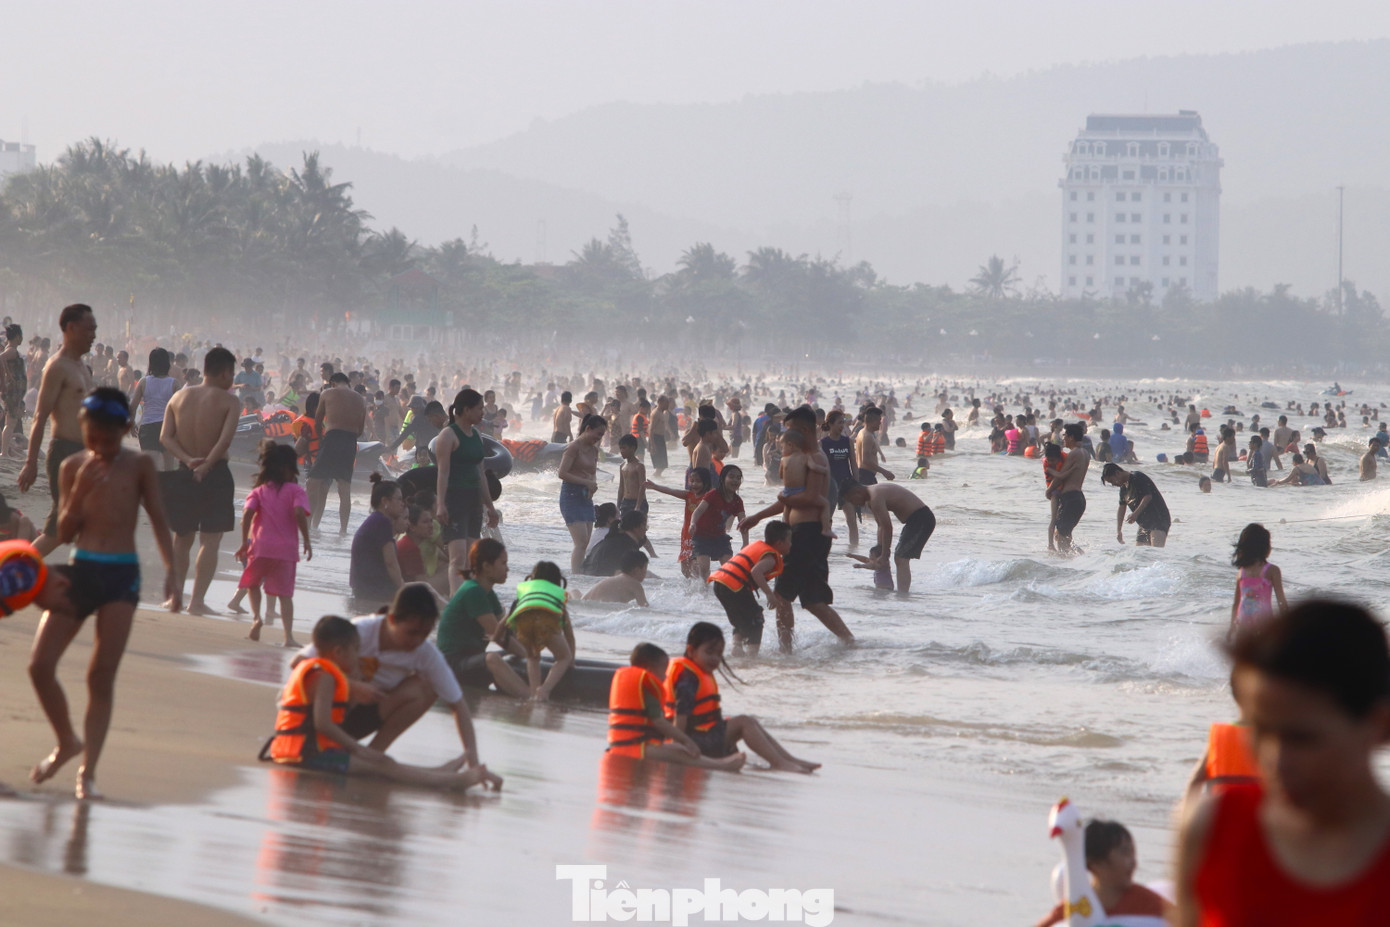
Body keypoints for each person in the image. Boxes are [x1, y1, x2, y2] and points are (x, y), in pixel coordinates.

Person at [1176, 600, 1390, 925]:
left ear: (1378, 727)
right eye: (1260, 730)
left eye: (1301, 738)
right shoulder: (1210, 829)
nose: (1276, 760)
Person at [28, 388, 179, 800]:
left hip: (120, 576)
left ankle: (87, 773)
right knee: (40, 666)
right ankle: (66, 741)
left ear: (126, 430)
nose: (101, 446)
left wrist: (172, 573)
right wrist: (78, 492)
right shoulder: (74, 464)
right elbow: (66, 530)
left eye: (110, 438)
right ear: (84, 428)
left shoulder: (140, 464)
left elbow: (160, 521)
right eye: (94, 436)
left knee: (101, 675)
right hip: (81, 571)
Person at [290, 585, 500, 786]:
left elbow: (458, 704)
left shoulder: (425, 652)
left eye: (425, 633)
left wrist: (474, 764)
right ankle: (378, 763)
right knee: (384, 766)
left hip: (357, 721)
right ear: (391, 619)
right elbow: (298, 663)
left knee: (425, 687)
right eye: (411, 632)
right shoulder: (358, 633)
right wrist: (352, 686)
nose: (417, 640)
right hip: (319, 722)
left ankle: (370, 757)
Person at [740, 406, 854, 649]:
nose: (787, 438)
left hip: (807, 535)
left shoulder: (816, 458)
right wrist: (758, 516)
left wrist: (782, 500)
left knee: (782, 596)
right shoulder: (801, 458)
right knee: (813, 600)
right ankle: (849, 642)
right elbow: (789, 498)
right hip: (802, 535)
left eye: (790, 432)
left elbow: (810, 496)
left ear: (803, 430)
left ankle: (786, 652)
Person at [665, 622, 820, 772]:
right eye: (709, 652)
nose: (715, 658)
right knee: (744, 722)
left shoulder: (695, 672)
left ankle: (789, 760)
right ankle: (779, 763)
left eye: (719, 654)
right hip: (694, 741)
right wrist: (680, 748)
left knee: (750, 721)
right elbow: (681, 716)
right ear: (691, 651)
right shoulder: (687, 678)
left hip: (702, 735)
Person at [159, 346, 241, 615]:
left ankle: (175, 599)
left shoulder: (179, 397)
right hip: (215, 473)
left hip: (184, 470)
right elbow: (225, 440)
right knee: (210, 540)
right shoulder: (229, 401)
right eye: (232, 373)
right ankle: (196, 602)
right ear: (225, 372)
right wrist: (206, 465)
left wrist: (189, 459)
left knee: (182, 539)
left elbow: (166, 438)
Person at [19, 304, 96, 556]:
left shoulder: (82, 367)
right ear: (71, 329)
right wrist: (31, 462)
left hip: (85, 454)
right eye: (88, 329)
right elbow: (40, 416)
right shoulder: (57, 366)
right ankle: (10, 575)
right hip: (65, 452)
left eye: (94, 329)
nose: (93, 335)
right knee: (61, 529)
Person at [607, 642, 747, 770]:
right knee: (682, 754)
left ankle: (720, 762)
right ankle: (721, 765)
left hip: (624, 745)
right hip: (635, 748)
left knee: (678, 749)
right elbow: (659, 722)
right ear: (649, 669)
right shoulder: (647, 687)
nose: (665, 677)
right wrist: (687, 740)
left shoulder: (630, 680)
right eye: (663, 672)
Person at [235, 441, 312, 647]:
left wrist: (244, 542)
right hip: (286, 550)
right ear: (288, 469)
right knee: (285, 594)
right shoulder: (296, 491)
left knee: (252, 584)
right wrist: (306, 539)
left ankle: (257, 618)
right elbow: (298, 512)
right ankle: (288, 637)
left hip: (260, 547)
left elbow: (247, 514)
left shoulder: (259, 491)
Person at [437, 538, 531, 699]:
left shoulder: (488, 593)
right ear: (487, 566)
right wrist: (528, 656)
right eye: (503, 563)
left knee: (513, 655)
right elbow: (499, 635)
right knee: (493, 658)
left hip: (470, 659)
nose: (507, 569)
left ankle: (520, 691)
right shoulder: (473, 591)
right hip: (452, 664)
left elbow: (509, 630)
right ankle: (531, 699)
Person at [1034, 820, 1169, 926]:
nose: (1134, 863)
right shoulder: (1075, 908)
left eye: (1133, 854)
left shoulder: (1150, 904)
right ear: (1095, 863)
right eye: (1125, 853)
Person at [434, 388, 500, 592]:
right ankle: (456, 601)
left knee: (473, 558)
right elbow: (442, 473)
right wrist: (441, 504)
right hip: (455, 500)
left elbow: (480, 474)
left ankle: (468, 597)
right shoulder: (448, 435)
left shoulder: (476, 435)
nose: (483, 413)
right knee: (458, 558)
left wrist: (490, 506)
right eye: (479, 408)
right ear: (465, 409)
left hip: (474, 501)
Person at [708, 521, 791, 655]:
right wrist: (769, 594)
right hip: (734, 586)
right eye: (789, 541)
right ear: (780, 543)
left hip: (720, 583)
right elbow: (756, 572)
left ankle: (736, 649)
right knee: (756, 619)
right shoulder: (770, 558)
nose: (791, 545)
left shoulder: (757, 547)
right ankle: (752, 657)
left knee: (742, 621)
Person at [837, 480, 935, 592]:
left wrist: (884, 555)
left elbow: (888, 527)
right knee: (900, 557)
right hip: (913, 521)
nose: (854, 504)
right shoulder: (870, 499)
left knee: (901, 558)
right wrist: (879, 549)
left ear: (857, 491)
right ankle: (902, 594)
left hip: (922, 519)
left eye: (851, 500)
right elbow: (880, 526)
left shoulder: (875, 497)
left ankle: (903, 595)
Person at [503, 561, 575, 702]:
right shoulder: (555, 597)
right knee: (563, 657)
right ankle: (545, 689)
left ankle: (534, 692)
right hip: (546, 622)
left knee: (533, 657)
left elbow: (509, 621)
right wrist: (571, 661)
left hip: (524, 622)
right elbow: (569, 636)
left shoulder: (527, 595)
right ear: (557, 582)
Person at [306, 371, 366, 535]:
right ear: (348, 383)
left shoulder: (327, 393)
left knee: (313, 482)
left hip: (332, 438)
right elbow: (360, 430)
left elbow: (318, 422)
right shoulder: (361, 399)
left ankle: (308, 526)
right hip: (350, 442)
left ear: (332, 383)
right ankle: (343, 530)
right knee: (344, 488)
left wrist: (321, 440)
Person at [559, 413, 606, 573]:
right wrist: (587, 482)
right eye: (598, 434)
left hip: (586, 497)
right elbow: (562, 473)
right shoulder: (573, 447)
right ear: (588, 428)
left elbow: (592, 472)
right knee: (580, 542)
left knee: (585, 543)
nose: (598, 438)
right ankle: (576, 575)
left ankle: (580, 573)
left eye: (602, 435)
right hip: (570, 495)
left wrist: (592, 486)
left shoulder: (594, 450)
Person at [349, 474, 407, 606]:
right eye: (399, 499)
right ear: (385, 501)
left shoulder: (376, 520)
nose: (402, 504)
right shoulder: (382, 522)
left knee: (426, 589)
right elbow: (391, 563)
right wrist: (402, 588)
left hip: (364, 589)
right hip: (373, 591)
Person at [688, 464, 747, 581]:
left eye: (738, 478)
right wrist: (692, 523)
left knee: (730, 570)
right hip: (702, 537)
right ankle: (703, 595)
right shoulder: (713, 494)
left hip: (720, 538)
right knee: (704, 570)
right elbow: (698, 511)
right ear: (723, 478)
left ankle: (724, 593)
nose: (735, 480)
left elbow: (744, 523)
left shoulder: (737, 501)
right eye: (731, 477)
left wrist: (746, 543)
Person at [1229, 523, 1287, 638]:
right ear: (1264, 547)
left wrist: (1232, 627)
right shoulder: (1272, 570)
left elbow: (1236, 603)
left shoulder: (1241, 572)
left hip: (1243, 622)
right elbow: (1282, 602)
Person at [1100, 463, 1171, 548]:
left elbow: (1147, 497)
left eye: (1112, 481)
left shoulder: (1137, 477)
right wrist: (1119, 530)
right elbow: (1122, 507)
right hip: (1144, 524)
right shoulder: (1123, 488)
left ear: (1117, 473)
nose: (1113, 484)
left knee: (1156, 552)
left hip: (1159, 519)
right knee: (1141, 555)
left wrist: (1135, 514)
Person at [129, 347, 177, 470]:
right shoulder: (174, 383)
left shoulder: (144, 382)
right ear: (167, 363)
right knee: (169, 467)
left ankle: (151, 488)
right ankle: (167, 488)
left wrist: (132, 423)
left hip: (148, 427)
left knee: (150, 468)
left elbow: (132, 406)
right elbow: (182, 408)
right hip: (168, 426)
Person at [1045, 423, 1089, 554]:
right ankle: (1084, 559)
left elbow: (1060, 477)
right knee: (1064, 536)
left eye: (1065, 436)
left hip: (1070, 498)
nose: (1063, 439)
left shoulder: (1073, 453)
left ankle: (1067, 564)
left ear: (1071, 437)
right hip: (1079, 498)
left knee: (1062, 537)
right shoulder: (1085, 453)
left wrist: (1049, 490)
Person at [615, 434, 657, 558]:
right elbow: (621, 487)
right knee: (624, 529)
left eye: (624, 448)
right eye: (620, 448)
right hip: (626, 502)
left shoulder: (639, 466)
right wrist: (618, 505)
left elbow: (642, 486)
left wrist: (638, 506)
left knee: (639, 531)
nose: (622, 451)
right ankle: (629, 552)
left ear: (633, 448)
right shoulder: (622, 466)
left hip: (639, 502)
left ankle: (653, 554)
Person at [820, 410, 858, 545]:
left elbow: (853, 464)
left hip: (846, 484)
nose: (842, 425)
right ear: (830, 424)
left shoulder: (847, 441)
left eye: (843, 422)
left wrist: (857, 484)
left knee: (852, 520)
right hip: (830, 486)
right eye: (839, 423)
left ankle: (854, 548)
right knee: (827, 520)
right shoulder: (823, 443)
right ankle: (825, 547)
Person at [582, 510, 649, 577]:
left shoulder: (606, 541)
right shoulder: (628, 547)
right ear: (636, 527)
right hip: (603, 578)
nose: (646, 529)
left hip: (586, 576)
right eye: (644, 525)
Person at [584, 549, 650, 606]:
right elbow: (644, 606)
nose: (645, 573)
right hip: (601, 607)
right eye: (645, 569)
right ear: (637, 570)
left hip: (586, 601)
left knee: (577, 594)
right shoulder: (635, 585)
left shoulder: (616, 578)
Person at [0, 322, 26, 459]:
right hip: (13, 393)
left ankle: (5, 451)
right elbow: (0, 358)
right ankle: (4, 453)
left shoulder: (11, 351)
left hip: (14, 392)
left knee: (10, 423)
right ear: (17, 336)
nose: (22, 339)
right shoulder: (12, 351)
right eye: (21, 336)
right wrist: (6, 379)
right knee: (10, 423)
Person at [855, 406, 894, 484]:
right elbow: (865, 460)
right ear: (872, 421)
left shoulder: (862, 432)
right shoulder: (867, 436)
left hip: (863, 474)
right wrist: (884, 472)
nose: (880, 423)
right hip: (865, 476)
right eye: (879, 420)